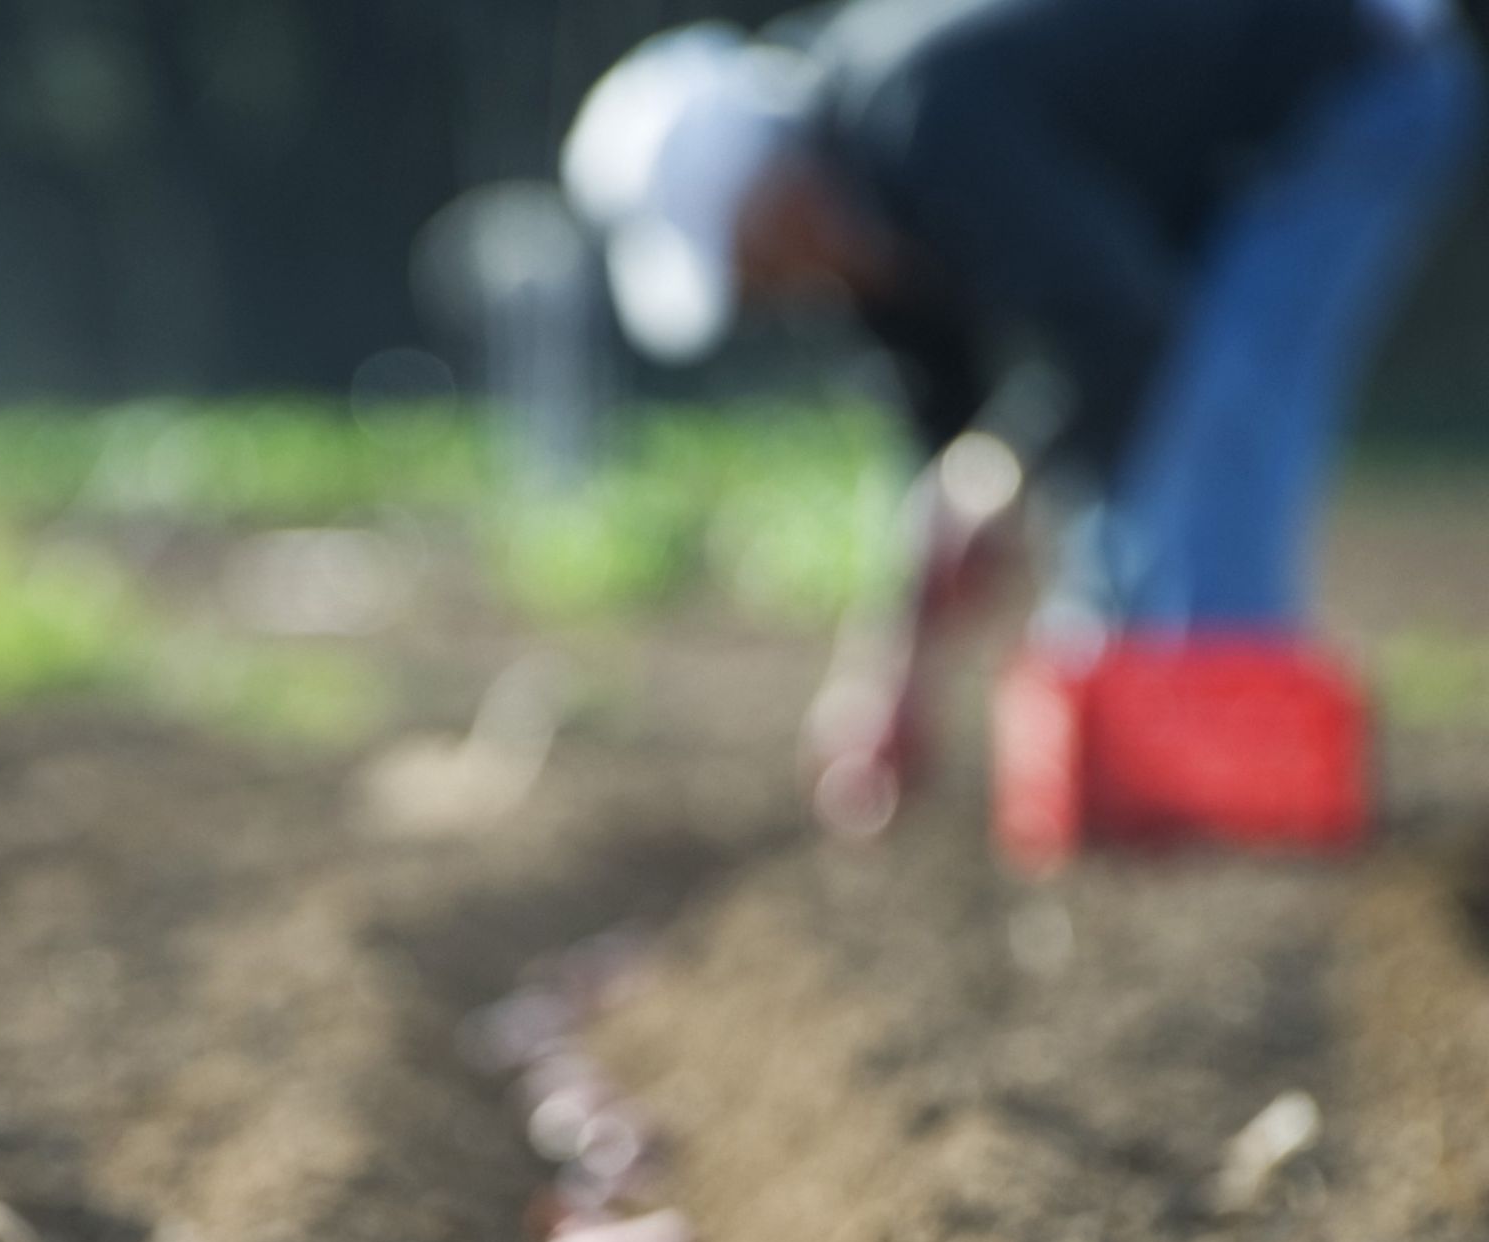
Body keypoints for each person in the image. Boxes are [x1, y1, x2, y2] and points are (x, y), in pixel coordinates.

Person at [562, 0, 1481, 837]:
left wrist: (1005, 469)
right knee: (1115, 450)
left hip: (1353, 74)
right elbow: (942, 466)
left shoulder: (924, 119)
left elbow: (1123, 334)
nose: (775, 296)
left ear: (778, 196)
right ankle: (1134, 782)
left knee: (1213, 421)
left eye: (756, 267)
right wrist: (891, 685)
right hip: (1211, 154)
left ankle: (1236, 819)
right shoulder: (866, 226)